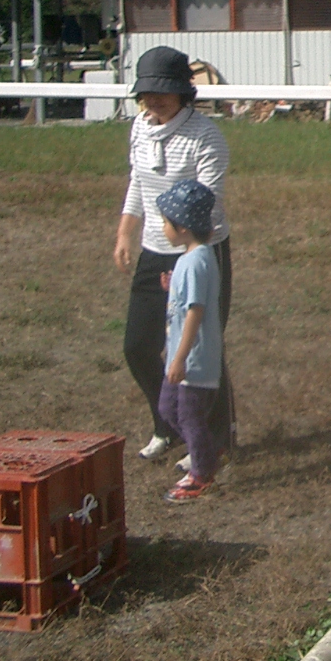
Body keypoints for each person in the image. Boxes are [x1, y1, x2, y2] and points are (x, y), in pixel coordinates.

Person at [112, 46, 235, 463]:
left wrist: (185, 259)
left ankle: (215, 438)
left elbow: (209, 203)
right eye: (147, 92)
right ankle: (168, 425)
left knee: (202, 348)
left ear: (184, 92)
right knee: (138, 346)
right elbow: (137, 181)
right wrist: (126, 232)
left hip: (200, 252)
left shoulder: (206, 136)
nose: (154, 100)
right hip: (154, 249)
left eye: (163, 91)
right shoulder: (139, 127)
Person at [154, 179, 224, 503]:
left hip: (194, 361)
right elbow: (187, 301)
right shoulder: (188, 258)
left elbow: (196, 311)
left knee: (188, 416)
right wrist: (173, 289)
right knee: (168, 409)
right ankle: (206, 450)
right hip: (180, 357)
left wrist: (181, 357)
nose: (163, 228)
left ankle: (201, 474)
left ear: (182, 227)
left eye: (165, 223)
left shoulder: (197, 261)